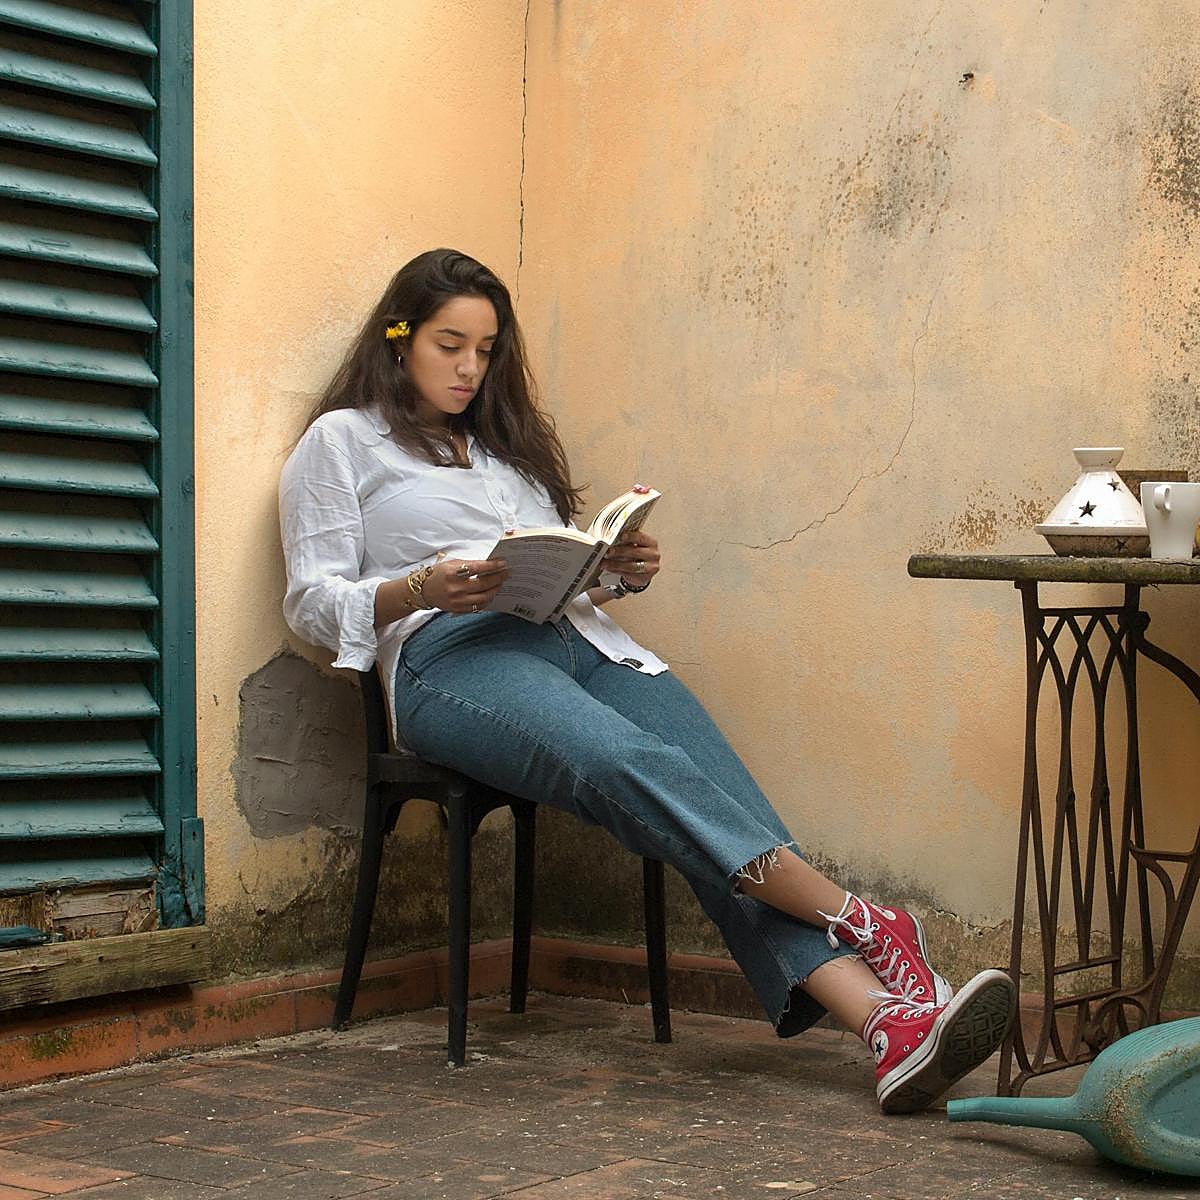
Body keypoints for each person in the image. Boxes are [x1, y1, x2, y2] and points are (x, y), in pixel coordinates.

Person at [279, 248, 1017, 1114]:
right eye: (451, 346)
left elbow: (549, 574)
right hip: (452, 659)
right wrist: (418, 587)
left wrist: (615, 572)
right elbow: (310, 601)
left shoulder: (505, 449)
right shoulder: (342, 441)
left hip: (582, 640)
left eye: (486, 349)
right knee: (632, 765)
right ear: (399, 338)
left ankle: (887, 1026)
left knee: (716, 798)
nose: (470, 368)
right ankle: (865, 920)